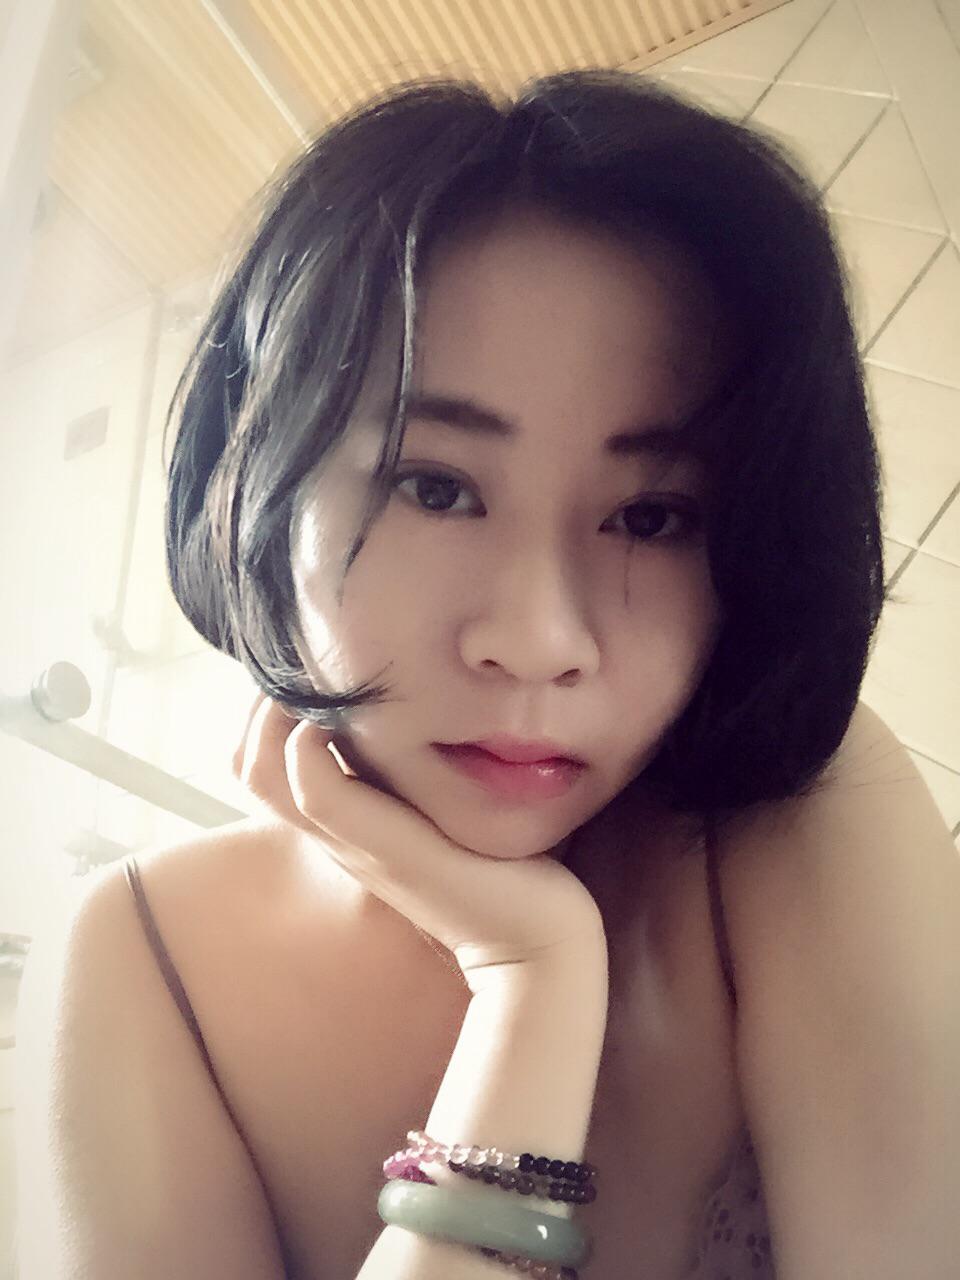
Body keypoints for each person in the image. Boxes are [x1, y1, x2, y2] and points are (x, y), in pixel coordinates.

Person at [14, 70, 960, 1280]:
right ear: (255, 494)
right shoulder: (144, 953)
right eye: (436, 486)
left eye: (653, 515)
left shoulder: (800, 819)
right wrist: (531, 990)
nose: (540, 636)